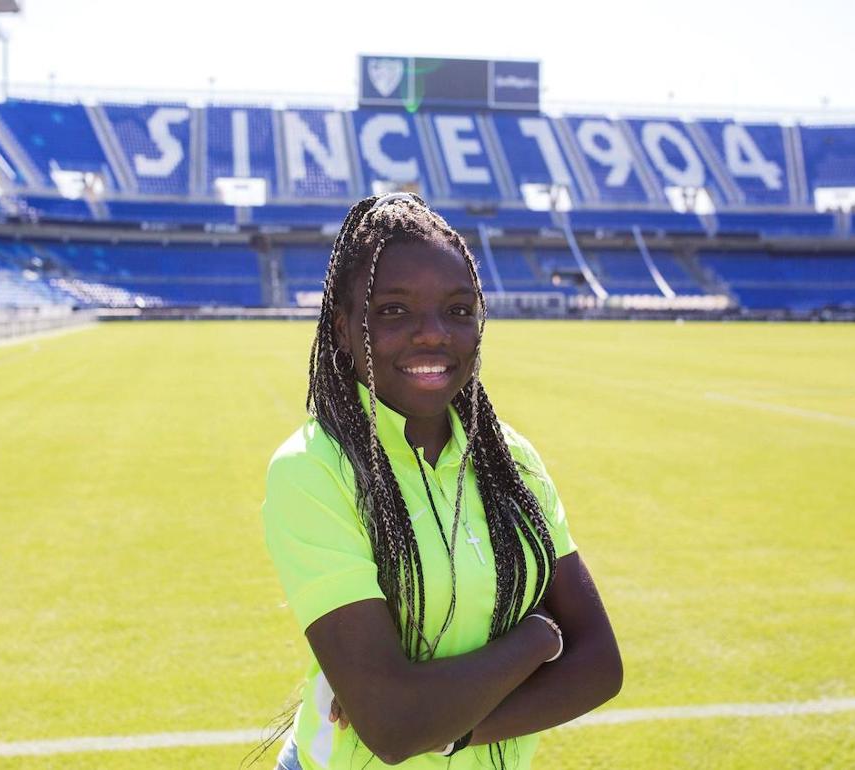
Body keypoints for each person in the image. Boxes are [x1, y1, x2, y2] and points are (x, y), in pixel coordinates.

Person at [261, 193, 622, 770]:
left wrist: (450, 727)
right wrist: (540, 638)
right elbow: (394, 726)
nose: (433, 334)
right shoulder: (313, 469)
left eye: (457, 310)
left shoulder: (513, 462)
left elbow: (600, 665)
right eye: (394, 311)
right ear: (344, 330)